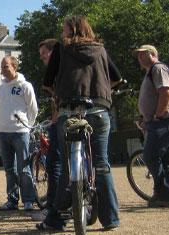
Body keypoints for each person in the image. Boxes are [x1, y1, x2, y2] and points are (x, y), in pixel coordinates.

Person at [37, 15, 120, 231]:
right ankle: (110, 219)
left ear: (71, 30)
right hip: (99, 110)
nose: (62, 33)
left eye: (64, 29)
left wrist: (59, 96)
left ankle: (58, 219)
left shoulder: (62, 50)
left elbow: (47, 82)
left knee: (67, 165)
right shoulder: (100, 49)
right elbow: (117, 78)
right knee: (101, 164)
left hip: (70, 110)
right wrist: (102, 94)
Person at [133, 44, 169, 208]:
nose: (139, 57)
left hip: (163, 120)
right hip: (157, 120)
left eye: (142, 54)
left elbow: (165, 92)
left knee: (150, 156)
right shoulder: (151, 71)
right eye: (138, 55)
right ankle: (167, 195)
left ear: (152, 54)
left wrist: (157, 117)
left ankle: (163, 193)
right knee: (164, 158)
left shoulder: (158, 69)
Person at [0, 56, 39, 212]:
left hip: (20, 132)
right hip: (4, 132)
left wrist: (27, 126)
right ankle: (12, 200)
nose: (3, 69)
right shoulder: (1, 88)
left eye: (6, 66)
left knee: (24, 168)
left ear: (14, 67)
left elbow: (33, 108)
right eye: (2, 67)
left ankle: (28, 200)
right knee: (9, 169)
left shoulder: (25, 86)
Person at [31, 38, 62, 221]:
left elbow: (58, 96)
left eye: (44, 54)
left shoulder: (58, 70)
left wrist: (55, 120)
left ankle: (53, 209)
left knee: (54, 164)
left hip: (63, 121)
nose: (42, 58)